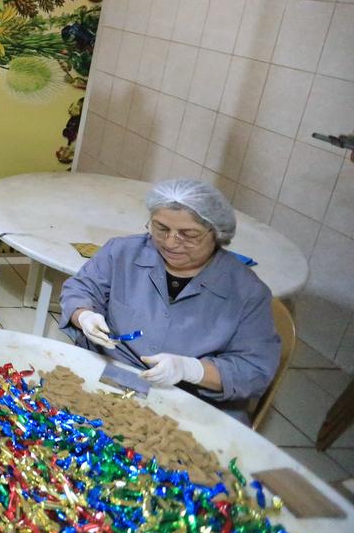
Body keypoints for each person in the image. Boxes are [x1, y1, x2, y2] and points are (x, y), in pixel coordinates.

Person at [59, 179, 280, 423]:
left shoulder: (246, 291)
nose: (171, 242)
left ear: (217, 234)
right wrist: (84, 315)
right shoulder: (123, 252)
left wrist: (192, 370)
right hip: (112, 373)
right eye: (161, 228)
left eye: (188, 235)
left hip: (188, 399)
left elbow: (255, 370)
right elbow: (82, 288)